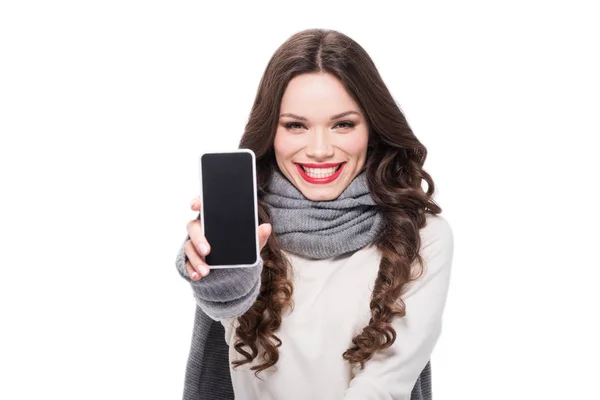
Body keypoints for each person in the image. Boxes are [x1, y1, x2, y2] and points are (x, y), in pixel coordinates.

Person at [175, 28, 454, 400]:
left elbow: (385, 384)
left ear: (372, 129)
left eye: (343, 124)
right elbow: (225, 306)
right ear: (271, 133)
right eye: (295, 125)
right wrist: (211, 275)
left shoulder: (421, 236)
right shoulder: (245, 229)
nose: (319, 149)